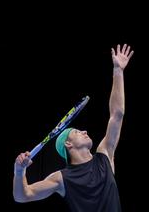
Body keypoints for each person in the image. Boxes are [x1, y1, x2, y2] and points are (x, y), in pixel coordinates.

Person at [13, 44, 134, 211]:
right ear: (68, 144)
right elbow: (22, 196)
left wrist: (118, 71)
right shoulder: (61, 178)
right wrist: (19, 172)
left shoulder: (105, 154)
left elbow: (117, 114)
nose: (85, 131)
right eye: (78, 131)